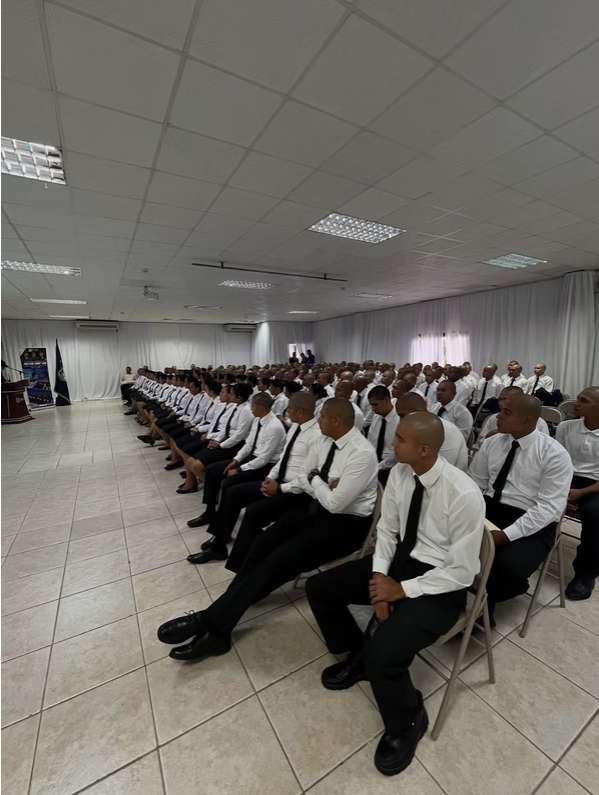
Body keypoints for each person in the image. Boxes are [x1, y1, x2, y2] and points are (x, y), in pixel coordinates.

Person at [305, 413, 485, 776]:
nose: (391, 443)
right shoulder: (402, 473)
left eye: (399, 439)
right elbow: (387, 533)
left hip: (441, 584)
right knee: (320, 588)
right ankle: (359, 655)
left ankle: (408, 720)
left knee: (386, 655)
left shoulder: (463, 493)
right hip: (397, 566)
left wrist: (401, 590)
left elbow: (462, 572)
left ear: (423, 450)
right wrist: (379, 580)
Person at [157, 398, 378, 662]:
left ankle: (214, 625)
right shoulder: (322, 440)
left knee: (280, 559)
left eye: (321, 417)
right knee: (264, 542)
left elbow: (336, 502)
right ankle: (225, 609)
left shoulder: (361, 453)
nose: (317, 421)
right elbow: (305, 479)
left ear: (336, 421)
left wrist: (315, 479)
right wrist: (317, 481)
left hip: (346, 525)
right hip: (317, 507)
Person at [469, 394, 573, 621]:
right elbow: (475, 484)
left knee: (507, 566)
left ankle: (492, 600)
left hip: (532, 518)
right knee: (446, 536)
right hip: (491, 506)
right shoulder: (492, 443)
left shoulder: (554, 454)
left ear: (527, 420)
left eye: (506, 413)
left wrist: (505, 535)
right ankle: (460, 595)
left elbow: (547, 509)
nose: (498, 417)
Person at [193, 392, 321, 569]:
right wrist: (270, 478)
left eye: (289, 408)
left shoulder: (315, 436)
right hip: (277, 478)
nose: (286, 411)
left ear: (300, 411)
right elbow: (284, 458)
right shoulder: (295, 427)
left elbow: (305, 475)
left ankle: (239, 561)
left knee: (251, 508)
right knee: (232, 492)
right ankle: (219, 544)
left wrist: (278, 487)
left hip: (293, 489)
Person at [184, 392, 286, 549]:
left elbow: (264, 459)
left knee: (229, 484)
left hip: (264, 466)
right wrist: (236, 460)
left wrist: (239, 469)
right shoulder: (259, 420)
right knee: (212, 470)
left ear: (260, 406)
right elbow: (248, 445)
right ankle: (210, 511)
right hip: (250, 459)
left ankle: (221, 532)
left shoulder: (274, 427)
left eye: (252, 406)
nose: (251, 409)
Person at [555, 387, 599, 600]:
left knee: (594, 513)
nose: (576, 403)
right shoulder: (566, 426)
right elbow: (556, 460)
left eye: (584, 400)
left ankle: (585, 574)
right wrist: (561, 487)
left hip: (594, 485)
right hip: (565, 476)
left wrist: (581, 492)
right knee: (529, 496)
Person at [177, 383, 253, 492]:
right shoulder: (235, 407)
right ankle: (204, 486)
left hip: (235, 445)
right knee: (190, 461)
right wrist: (214, 438)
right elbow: (225, 428)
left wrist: (220, 445)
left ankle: (215, 491)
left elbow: (238, 436)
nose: (229, 396)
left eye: (231, 394)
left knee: (196, 465)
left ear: (239, 397)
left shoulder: (246, 411)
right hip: (224, 441)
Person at [395, 393, 468, 471]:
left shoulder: (445, 430)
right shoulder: (417, 428)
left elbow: (441, 470)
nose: (401, 421)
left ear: (416, 412)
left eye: (402, 416)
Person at [477, 386, 549, 445]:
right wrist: (491, 436)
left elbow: (544, 445)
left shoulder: (538, 422)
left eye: (505, 399)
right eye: (500, 399)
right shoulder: (494, 418)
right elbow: (480, 443)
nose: (501, 403)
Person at [367, 385, 400, 486]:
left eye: (375, 404)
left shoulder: (399, 420)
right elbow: (370, 442)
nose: (373, 409)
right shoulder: (376, 417)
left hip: (391, 467)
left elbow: (396, 454)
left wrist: (378, 467)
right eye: (371, 405)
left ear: (386, 400)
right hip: (374, 463)